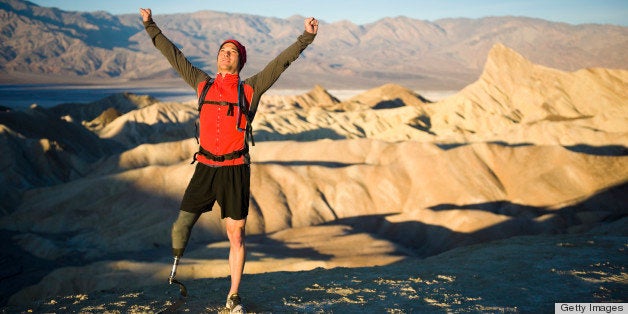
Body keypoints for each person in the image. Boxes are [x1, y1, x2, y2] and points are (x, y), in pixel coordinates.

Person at [139, 8, 318, 313]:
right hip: (205, 168)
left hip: (235, 169)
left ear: (240, 60)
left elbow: (281, 63)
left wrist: (306, 37)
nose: (226, 55)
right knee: (181, 226)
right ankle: (173, 273)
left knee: (236, 234)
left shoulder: (251, 88)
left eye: (232, 52)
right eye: (223, 50)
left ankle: (233, 295)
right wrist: (150, 25)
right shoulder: (201, 83)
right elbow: (173, 55)